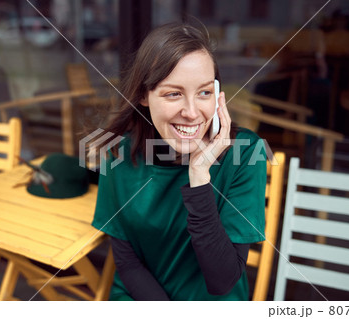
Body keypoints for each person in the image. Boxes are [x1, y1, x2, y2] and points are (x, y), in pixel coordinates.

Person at [91, 22, 267, 301]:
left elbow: (222, 281)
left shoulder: (245, 153)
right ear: (143, 95)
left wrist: (199, 176)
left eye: (204, 92)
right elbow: (127, 262)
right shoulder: (118, 153)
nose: (192, 112)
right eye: (173, 93)